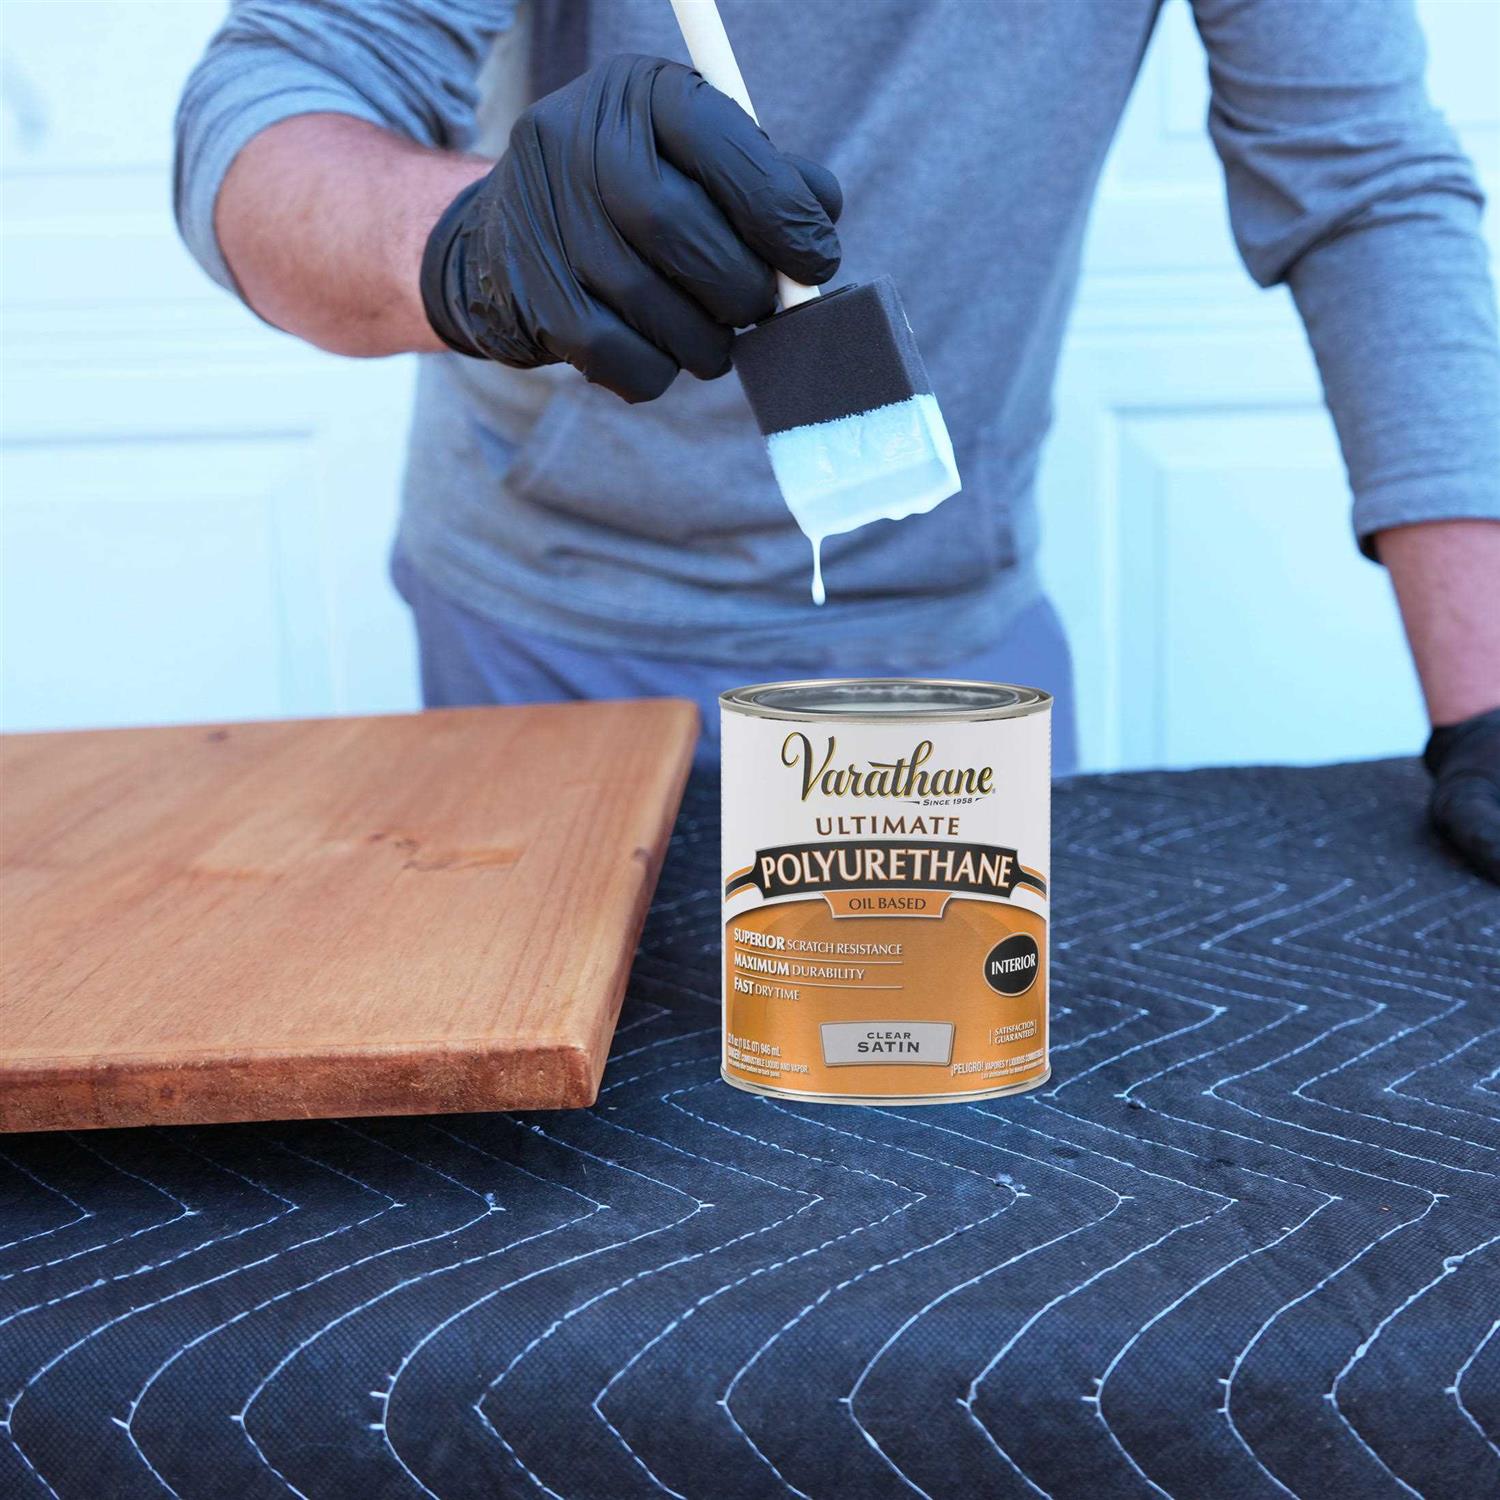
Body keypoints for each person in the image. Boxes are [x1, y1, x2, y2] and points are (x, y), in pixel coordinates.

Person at [174, 0, 1500, 881]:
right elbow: (272, 105)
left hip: (946, 641)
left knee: (972, 1163)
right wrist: (475, 246)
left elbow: (1365, 188)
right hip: (545, 635)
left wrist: (1487, 708)